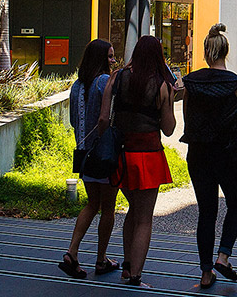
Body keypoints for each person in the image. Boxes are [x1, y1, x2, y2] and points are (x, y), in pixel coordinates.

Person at [101, 35, 178, 287]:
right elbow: (168, 129)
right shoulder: (162, 85)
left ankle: (126, 265)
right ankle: (135, 275)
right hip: (148, 156)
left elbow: (103, 119)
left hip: (121, 154)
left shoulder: (117, 78)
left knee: (132, 211)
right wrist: (173, 99)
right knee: (144, 217)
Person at [182, 23, 237, 289]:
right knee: (236, 204)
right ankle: (223, 255)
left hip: (199, 155)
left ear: (206, 53)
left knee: (206, 212)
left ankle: (205, 272)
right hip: (228, 155)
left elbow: (188, 119)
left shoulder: (191, 82)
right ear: (226, 51)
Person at [58, 39, 120, 280]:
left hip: (83, 154)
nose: (114, 61)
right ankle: (101, 259)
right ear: (100, 59)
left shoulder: (76, 86)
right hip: (103, 154)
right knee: (108, 209)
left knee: (91, 204)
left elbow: (74, 121)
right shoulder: (104, 82)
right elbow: (110, 115)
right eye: (110, 57)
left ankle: (72, 252)